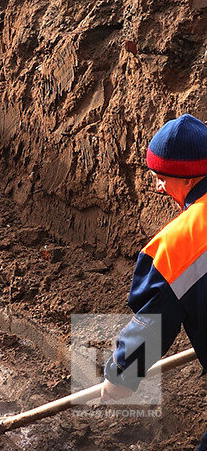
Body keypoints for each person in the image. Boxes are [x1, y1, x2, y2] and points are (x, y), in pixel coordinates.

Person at [101, 114, 207, 449]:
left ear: (189, 180)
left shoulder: (181, 244)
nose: (158, 187)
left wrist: (121, 376)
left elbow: (152, 322)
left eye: (162, 177)